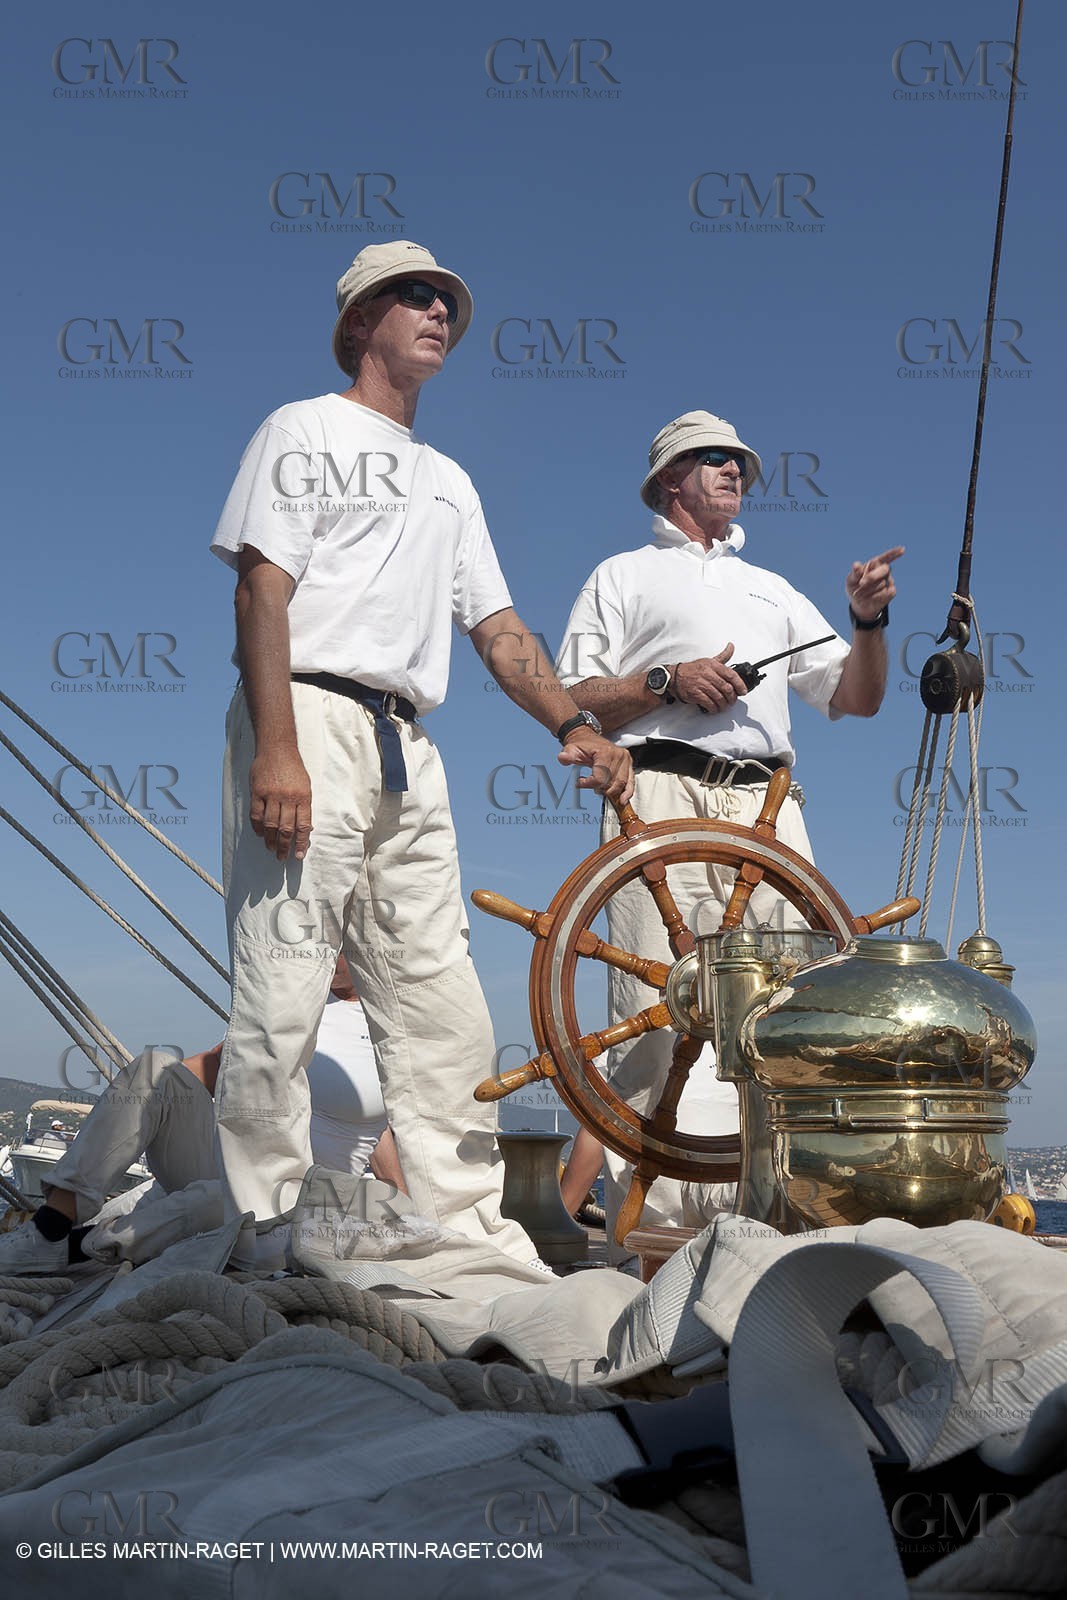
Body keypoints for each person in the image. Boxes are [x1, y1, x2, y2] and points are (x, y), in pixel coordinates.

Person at [210, 240, 633, 1269]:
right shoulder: (300, 428)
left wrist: (572, 723)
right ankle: (264, 1227)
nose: (438, 310)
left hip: (409, 742)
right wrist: (277, 751)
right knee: (283, 983)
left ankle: (466, 1228)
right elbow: (261, 590)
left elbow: (494, 628)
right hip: (304, 715)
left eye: (447, 300)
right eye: (414, 296)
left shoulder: (449, 481)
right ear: (360, 323)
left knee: (438, 993)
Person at [556, 409, 902, 1255]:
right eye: (712, 459)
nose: (733, 471)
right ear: (670, 478)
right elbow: (572, 698)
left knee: (798, 1009)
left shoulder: (776, 589)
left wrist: (865, 622)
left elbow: (856, 698)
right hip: (658, 788)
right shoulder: (622, 574)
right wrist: (670, 680)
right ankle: (651, 1233)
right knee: (653, 1011)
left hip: (767, 806)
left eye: (738, 461)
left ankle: (783, 1208)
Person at [0, 957, 401, 1273]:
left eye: (341, 940)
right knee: (156, 1068)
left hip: (297, 1198)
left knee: (225, 1205)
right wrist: (146, 1092)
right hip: (230, 1161)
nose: (329, 950)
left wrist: (405, 1203)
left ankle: (78, 1248)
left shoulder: (390, 1026)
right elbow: (201, 1071)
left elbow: (379, 1132)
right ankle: (52, 1223)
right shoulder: (295, 1009)